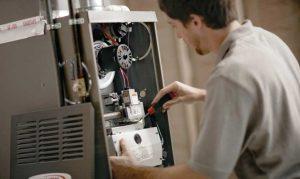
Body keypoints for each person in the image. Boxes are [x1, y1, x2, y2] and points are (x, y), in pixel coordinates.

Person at [110, 0, 300, 178]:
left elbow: (202, 175)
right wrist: (205, 95)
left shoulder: (230, 75)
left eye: (175, 26)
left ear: (195, 22)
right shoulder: (268, 40)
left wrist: (130, 171)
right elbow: (267, 101)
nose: (178, 35)